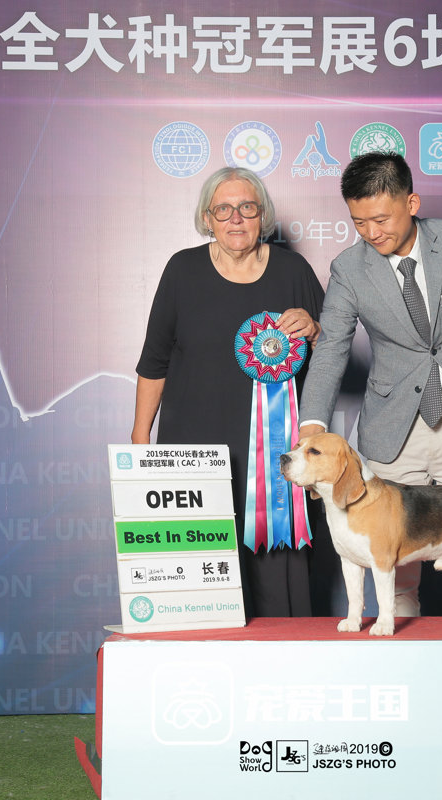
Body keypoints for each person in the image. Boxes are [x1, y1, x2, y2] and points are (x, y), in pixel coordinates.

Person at [298, 152, 442, 616]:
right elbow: (332, 348)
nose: (371, 233)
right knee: (391, 578)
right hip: (391, 429)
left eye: (381, 219)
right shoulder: (348, 269)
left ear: (411, 203)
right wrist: (312, 422)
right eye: (359, 223)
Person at [132, 166, 323, 618]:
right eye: (223, 209)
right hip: (192, 451)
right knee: (198, 584)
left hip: (273, 456)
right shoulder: (182, 270)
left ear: (263, 216)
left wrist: (315, 330)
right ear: (207, 218)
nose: (235, 218)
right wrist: (140, 438)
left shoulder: (294, 271)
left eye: (247, 207)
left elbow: (332, 357)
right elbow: (154, 362)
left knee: (276, 580)